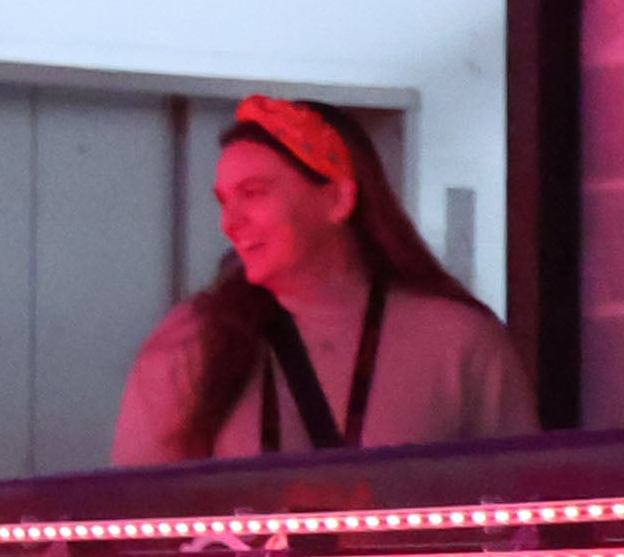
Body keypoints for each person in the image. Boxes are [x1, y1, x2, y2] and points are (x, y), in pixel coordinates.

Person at [108, 97, 533, 463]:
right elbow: (131, 518)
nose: (229, 223)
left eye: (254, 192)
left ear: (338, 198)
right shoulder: (191, 342)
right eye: (224, 200)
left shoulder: (459, 343)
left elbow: (525, 516)